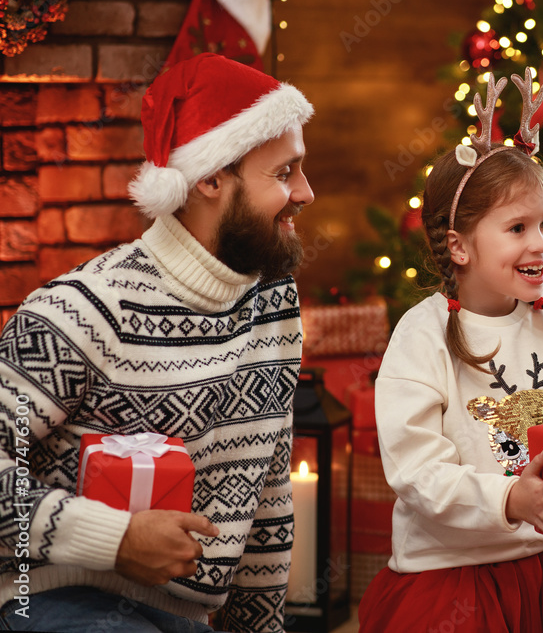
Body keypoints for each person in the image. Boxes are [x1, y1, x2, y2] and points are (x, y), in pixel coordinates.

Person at [0, 53, 315, 632]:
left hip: (183, 619)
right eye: (284, 172)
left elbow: (267, 497)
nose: (306, 192)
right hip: (48, 598)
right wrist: (113, 540)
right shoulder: (80, 312)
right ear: (210, 178)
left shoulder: (274, 306)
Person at [357, 71, 543, 632]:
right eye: (517, 227)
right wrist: (508, 499)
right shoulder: (422, 337)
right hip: (452, 577)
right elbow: (416, 471)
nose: (541, 243)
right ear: (459, 245)